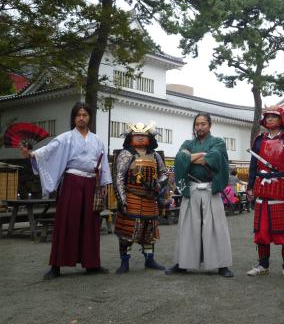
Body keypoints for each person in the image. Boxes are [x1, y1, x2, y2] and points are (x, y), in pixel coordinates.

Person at [19, 102, 112, 280]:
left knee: (90, 224)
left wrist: (104, 184)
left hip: (92, 183)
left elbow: (104, 164)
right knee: (66, 222)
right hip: (72, 182)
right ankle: (56, 266)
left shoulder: (98, 140)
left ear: (90, 117)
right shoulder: (65, 138)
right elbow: (48, 151)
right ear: (74, 118)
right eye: (78, 115)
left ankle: (92, 263)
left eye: (85, 114)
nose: (82, 118)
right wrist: (31, 154)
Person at [165, 112, 234, 277]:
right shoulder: (188, 143)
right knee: (188, 227)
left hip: (211, 189)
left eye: (203, 123)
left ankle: (221, 265)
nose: (200, 127)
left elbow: (215, 158)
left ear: (210, 125)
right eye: (197, 124)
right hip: (192, 188)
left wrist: (189, 158)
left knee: (216, 227)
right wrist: (200, 156)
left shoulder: (218, 142)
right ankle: (183, 263)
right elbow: (179, 159)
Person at [246, 106, 284, 279]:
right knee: (261, 230)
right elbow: (253, 165)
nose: (270, 119)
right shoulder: (258, 140)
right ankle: (263, 264)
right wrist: (250, 186)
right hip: (261, 186)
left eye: (274, 116)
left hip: (281, 187)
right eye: (267, 117)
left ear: (281, 120)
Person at [113, 122, 168, 274]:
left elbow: (164, 173)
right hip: (132, 197)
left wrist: (158, 183)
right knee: (127, 231)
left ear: (149, 138)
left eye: (143, 136)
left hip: (150, 199)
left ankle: (150, 259)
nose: (139, 138)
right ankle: (125, 263)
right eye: (136, 135)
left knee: (149, 230)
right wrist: (122, 199)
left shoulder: (155, 156)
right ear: (130, 137)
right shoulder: (126, 154)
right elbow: (119, 178)